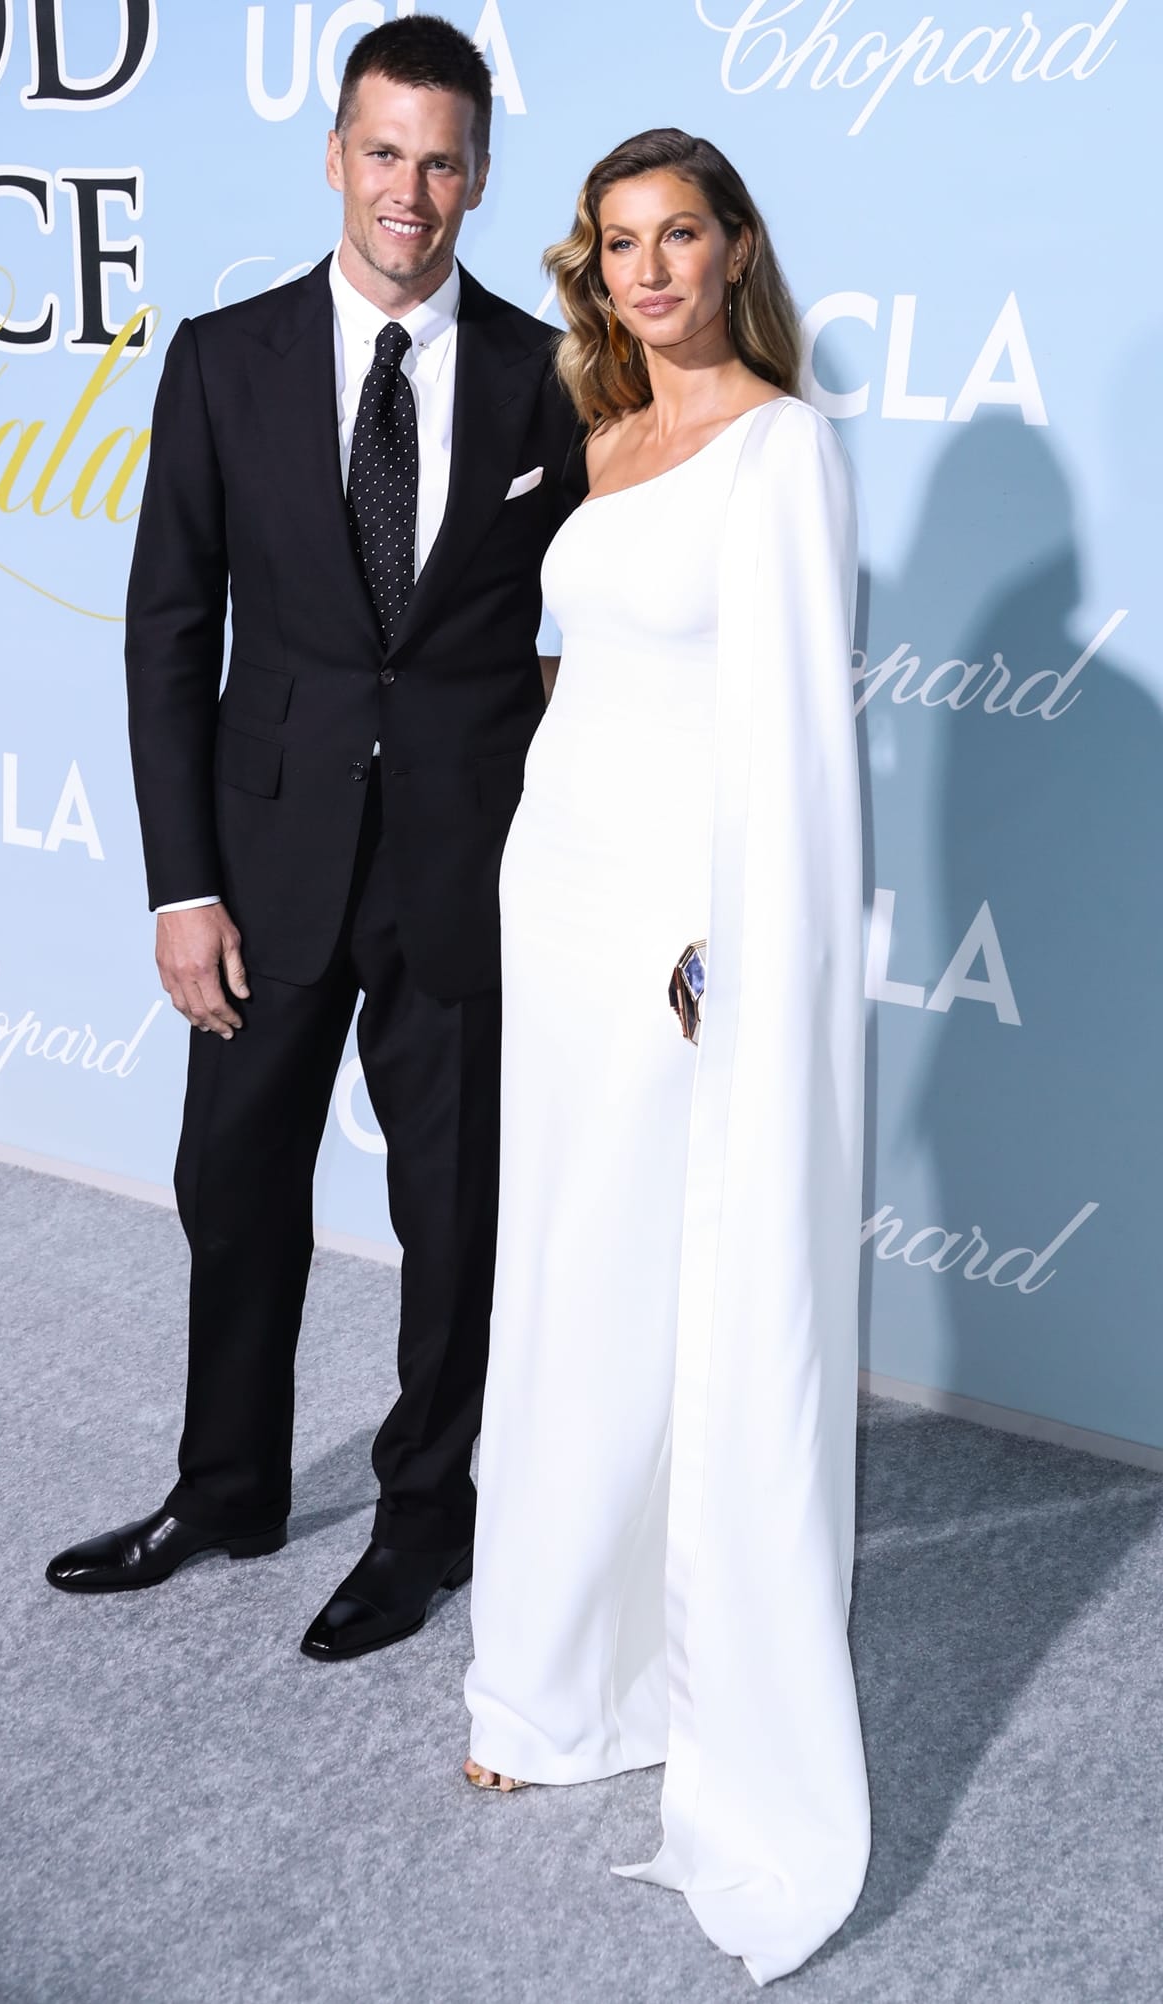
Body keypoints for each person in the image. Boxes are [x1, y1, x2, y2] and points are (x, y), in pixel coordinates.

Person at [45, 16, 582, 1661]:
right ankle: (228, 1489)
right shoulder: (222, 357)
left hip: (464, 878)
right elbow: (165, 639)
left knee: (454, 1221)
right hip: (265, 872)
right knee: (235, 1185)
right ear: (334, 154)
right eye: (382, 150)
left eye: (440, 158)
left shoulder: (546, 376)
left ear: (478, 176)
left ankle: (429, 1517)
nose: (408, 188)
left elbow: (608, 627)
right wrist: (182, 883)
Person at [462, 130, 869, 1986]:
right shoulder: (602, 437)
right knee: (558, 1281)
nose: (646, 270)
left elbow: (790, 734)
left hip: (675, 939)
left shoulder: (785, 445)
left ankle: (615, 1683)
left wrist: (735, 932)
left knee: (649, 1289)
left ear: (732, 252)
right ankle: (556, 1679)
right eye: (618, 242)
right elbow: (596, 678)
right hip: (553, 896)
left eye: (677, 236)